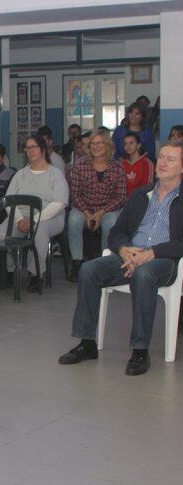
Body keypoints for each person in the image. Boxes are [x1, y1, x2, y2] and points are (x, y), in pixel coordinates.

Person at [59, 141, 183, 376]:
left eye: (171, 159)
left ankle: (139, 351)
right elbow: (117, 232)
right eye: (162, 157)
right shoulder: (141, 194)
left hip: (165, 260)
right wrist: (124, 249)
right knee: (89, 270)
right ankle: (87, 343)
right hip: (131, 253)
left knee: (144, 274)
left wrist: (153, 253)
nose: (163, 163)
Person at [0, 134, 69, 293]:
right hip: (20, 216)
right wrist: (20, 220)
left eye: (33, 146)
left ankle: (36, 273)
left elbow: (59, 203)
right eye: (27, 147)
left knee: (39, 230)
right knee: (0, 234)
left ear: (43, 149)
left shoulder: (55, 174)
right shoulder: (20, 174)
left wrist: (34, 220)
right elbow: (8, 200)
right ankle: (11, 271)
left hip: (49, 217)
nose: (30, 150)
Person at [67, 130, 127, 281]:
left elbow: (120, 197)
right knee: (73, 220)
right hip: (83, 208)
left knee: (111, 221)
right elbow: (74, 194)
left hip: (108, 209)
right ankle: (77, 263)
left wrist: (101, 212)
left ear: (107, 145)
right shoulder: (80, 165)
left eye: (99, 143)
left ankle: (104, 264)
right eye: (93, 143)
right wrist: (87, 213)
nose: (95, 146)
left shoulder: (117, 167)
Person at [122, 132, 154, 198]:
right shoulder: (122, 163)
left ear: (139, 145)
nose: (128, 146)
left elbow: (148, 186)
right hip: (123, 201)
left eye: (131, 143)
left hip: (140, 200)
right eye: (125, 144)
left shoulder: (147, 163)